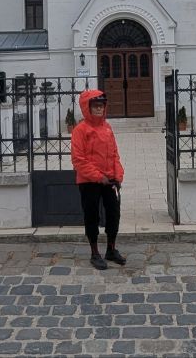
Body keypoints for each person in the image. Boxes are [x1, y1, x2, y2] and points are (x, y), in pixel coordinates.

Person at [70, 88, 126, 270]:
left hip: (109, 180)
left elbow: (114, 154)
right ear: (87, 108)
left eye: (101, 105)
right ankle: (94, 252)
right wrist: (98, 176)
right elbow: (78, 160)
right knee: (92, 216)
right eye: (95, 106)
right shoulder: (80, 130)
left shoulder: (107, 128)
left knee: (114, 214)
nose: (99, 109)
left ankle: (111, 249)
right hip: (89, 182)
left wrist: (118, 174)